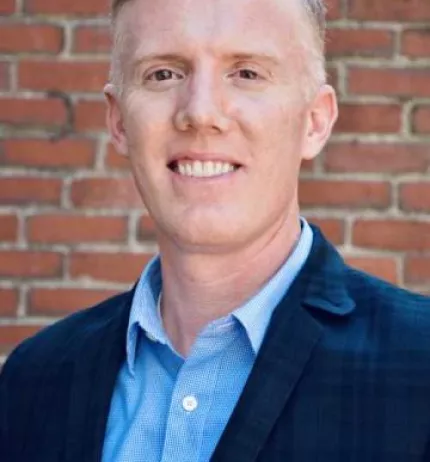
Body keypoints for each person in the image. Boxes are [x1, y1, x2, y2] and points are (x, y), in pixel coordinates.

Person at [1, 0, 430, 460]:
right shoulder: (33, 381)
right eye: (163, 74)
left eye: (246, 73)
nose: (201, 112)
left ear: (315, 120)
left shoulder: (420, 366)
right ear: (119, 120)